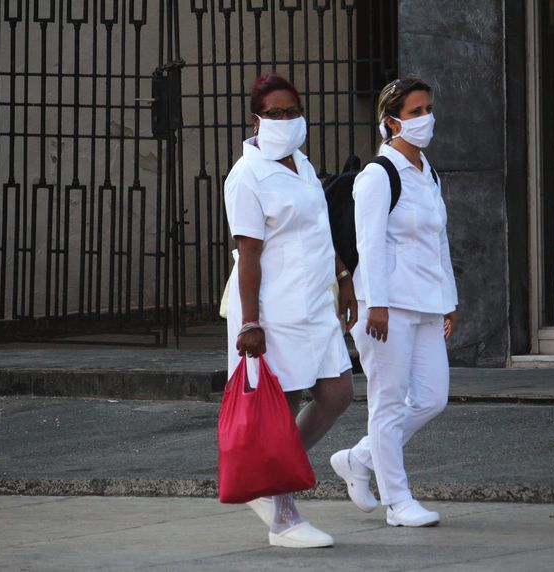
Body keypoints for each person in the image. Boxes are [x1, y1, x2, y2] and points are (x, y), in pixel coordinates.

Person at [224, 72, 357, 548]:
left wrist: (346, 281)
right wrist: (251, 321)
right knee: (281, 407)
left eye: (293, 111)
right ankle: (282, 518)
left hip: (316, 302)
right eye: (276, 113)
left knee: (337, 393)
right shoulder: (246, 176)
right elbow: (249, 256)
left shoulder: (300, 162)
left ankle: (268, 475)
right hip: (273, 310)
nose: (286, 120)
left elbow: (320, 230)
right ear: (255, 119)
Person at [330, 76, 458, 527]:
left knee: (431, 398)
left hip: (425, 303)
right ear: (391, 122)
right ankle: (398, 502)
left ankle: (358, 459)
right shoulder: (378, 176)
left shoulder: (429, 173)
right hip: (385, 307)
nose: (426, 119)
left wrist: (449, 300)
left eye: (428, 110)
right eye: (416, 112)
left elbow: (438, 240)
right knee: (386, 404)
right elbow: (370, 244)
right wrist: (376, 305)